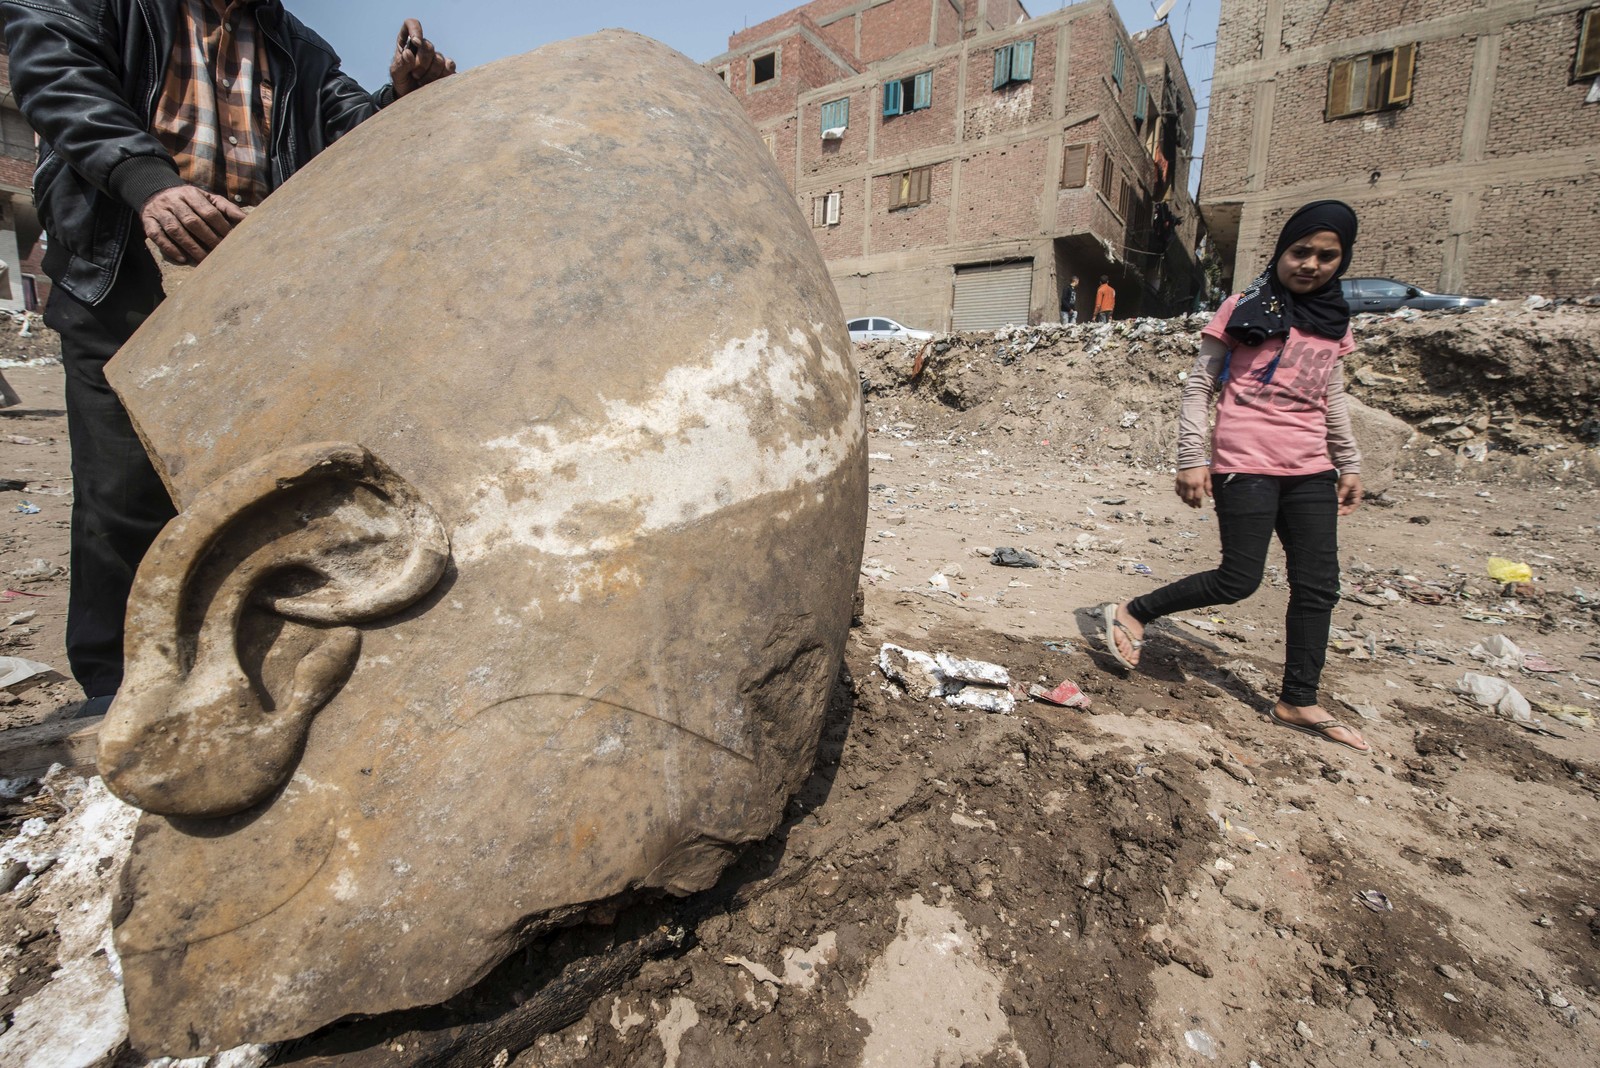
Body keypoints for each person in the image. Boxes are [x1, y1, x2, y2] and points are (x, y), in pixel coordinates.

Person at [0, 0, 455, 715]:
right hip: (125, 275)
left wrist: (399, 97)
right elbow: (58, 81)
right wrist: (151, 186)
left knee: (270, 478)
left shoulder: (294, 43)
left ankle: (262, 668)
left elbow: (345, 134)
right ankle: (117, 692)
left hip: (252, 285)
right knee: (122, 491)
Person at [1101, 200, 1370, 753]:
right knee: (1238, 580)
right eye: (1300, 252)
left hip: (1311, 469)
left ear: (1341, 262)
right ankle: (1135, 610)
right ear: (1281, 252)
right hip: (1244, 464)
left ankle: (1298, 699)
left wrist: (1349, 463)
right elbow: (1200, 386)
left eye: (1327, 256)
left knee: (1319, 586)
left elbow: (1333, 398)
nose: (1311, 264)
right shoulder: (1241, 309)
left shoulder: (1334, 322)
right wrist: (1191, 457)